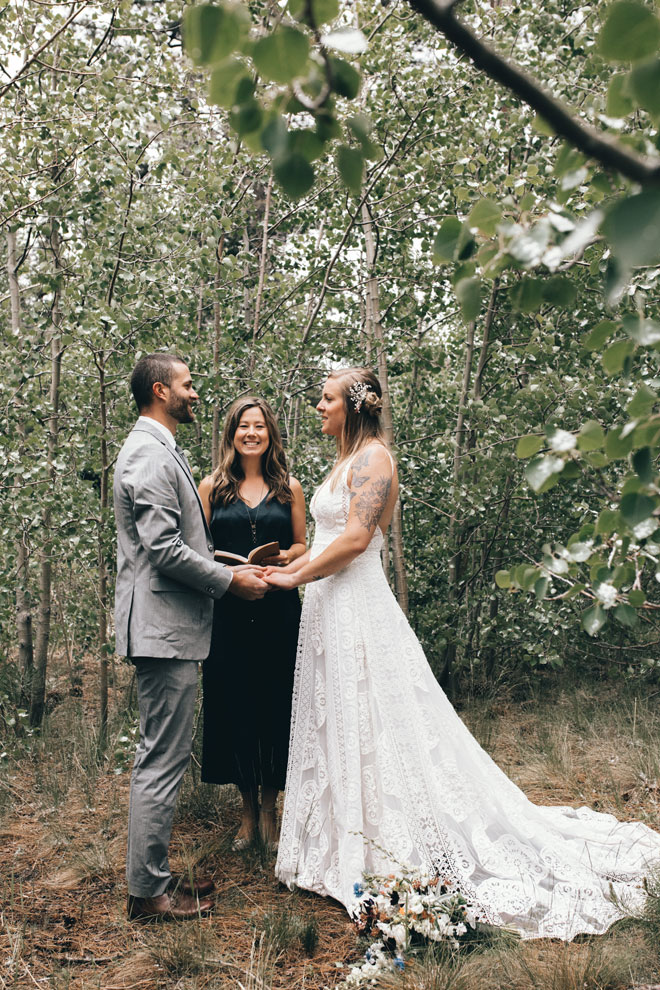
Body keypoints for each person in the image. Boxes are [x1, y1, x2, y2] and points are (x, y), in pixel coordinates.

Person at [264, 366, 660, 940]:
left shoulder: (375, 458)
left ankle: (389, 841)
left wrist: (292, 583)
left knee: (379, 720)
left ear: (352, 406)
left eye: (325, 398)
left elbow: (354, 542)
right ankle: (342, 838)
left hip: (359, 611)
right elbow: (326, 542)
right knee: (341, 720)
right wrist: (287, 569)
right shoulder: (344, 459)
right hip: (329, 609)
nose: (317, 407)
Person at [113, 354, 268, 921]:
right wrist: (230, 582)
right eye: (187, 384)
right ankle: (149, 896)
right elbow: (163, 550)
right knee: (161, 760)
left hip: (166, 629)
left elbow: (181, 543)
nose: (195, 393)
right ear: (161, 391)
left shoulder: (158, 448)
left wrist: (229, 563)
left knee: (162, 756)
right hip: (162, 632)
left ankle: (150, 879)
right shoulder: (149, 455)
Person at [198, 397, 305, 849]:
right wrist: (231, 573)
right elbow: (197, 551)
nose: (252, 433)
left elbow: (303, 545)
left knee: (278, 704)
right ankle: (245, 813)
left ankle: (270, 810)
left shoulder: (289, 487)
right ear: (231, 433)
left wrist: (284, 558)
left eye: (259, 426)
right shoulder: (211, 487)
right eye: (244, 426)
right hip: (230, 612)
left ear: (270, 434)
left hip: (281, 610)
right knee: (236, 705)